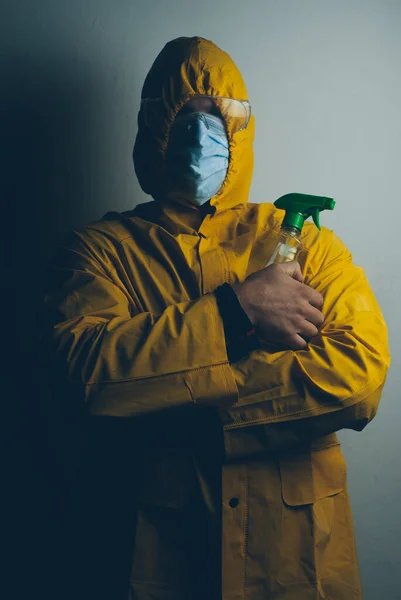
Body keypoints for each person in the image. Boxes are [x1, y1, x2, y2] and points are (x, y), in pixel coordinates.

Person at [43, 36, 390, 600]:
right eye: (184, 118)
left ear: (242, 130)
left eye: (220, 118)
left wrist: (186, 408)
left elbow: (358, 377)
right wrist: (237, 312)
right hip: (164, 562)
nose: (203, 135)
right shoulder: (98, 252)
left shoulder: (305, 242)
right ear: (152, 127)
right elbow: (88, 374)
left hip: (297, 564)